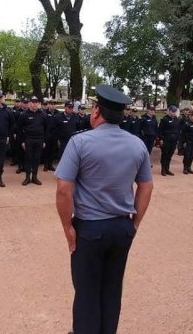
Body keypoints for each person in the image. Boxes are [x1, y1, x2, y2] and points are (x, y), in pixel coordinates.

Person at [55, 84, 153, 334]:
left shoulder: (80, 142)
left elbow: (64, 189)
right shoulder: (137, 145)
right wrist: (134, 223)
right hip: (121, 227)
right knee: (111, 289)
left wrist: (67, 226)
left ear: (97, 111)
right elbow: (146, 187)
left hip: (90, 227)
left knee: (87, 290)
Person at [18, 96, 47, 185]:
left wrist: (44, 141)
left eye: (36, 102)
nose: (34, 104)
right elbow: (19, 129)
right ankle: (27, 177)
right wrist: (22, 141)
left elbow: (46, 129)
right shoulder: (24, 114)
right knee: (28, 158)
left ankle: (34, 177)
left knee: (36, 159)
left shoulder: (43, 115)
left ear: (38, 103)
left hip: (39, 140)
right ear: (30, 103)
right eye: (33, 102)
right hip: (28, 140)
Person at [158, 105, 180, 176]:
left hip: (174, 140)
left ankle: (167, 169)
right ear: (169, 111)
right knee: (165, 154)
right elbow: (160, 130)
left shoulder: (177, 119)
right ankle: (163, 169)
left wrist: (178, 139)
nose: (173, 113)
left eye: (175, 111)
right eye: (172, 111)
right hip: (166, 139)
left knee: (170, 154)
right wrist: (161, 139)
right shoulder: (165, 119)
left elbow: (178, 130)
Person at [42, 100, 59, 171]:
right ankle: (46, 165)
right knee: (46, 151)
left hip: (55, 135)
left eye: (54, 104)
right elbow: (42, 125)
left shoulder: (58, 113)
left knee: (52, 151)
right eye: (51, 104)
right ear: (48, 105)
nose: (53, 105)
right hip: (47, 135)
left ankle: (50, 165)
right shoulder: (44, 113)